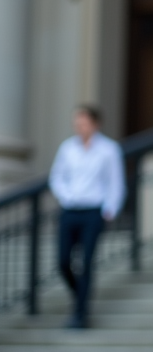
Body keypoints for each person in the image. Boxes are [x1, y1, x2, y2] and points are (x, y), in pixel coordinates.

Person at [48, 105, 126, 329]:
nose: (79, 127)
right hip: (70, 209)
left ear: (95, 124)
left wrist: (110, 209)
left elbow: (115, 183)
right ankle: (80, 296)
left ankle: (80, 314)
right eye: (77, 123)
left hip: (93, 211)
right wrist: (66, 197)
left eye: (83, 123)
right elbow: (57, 177)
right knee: (63, 262)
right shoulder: (67, 148)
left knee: (86, 263)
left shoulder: (109, 149)